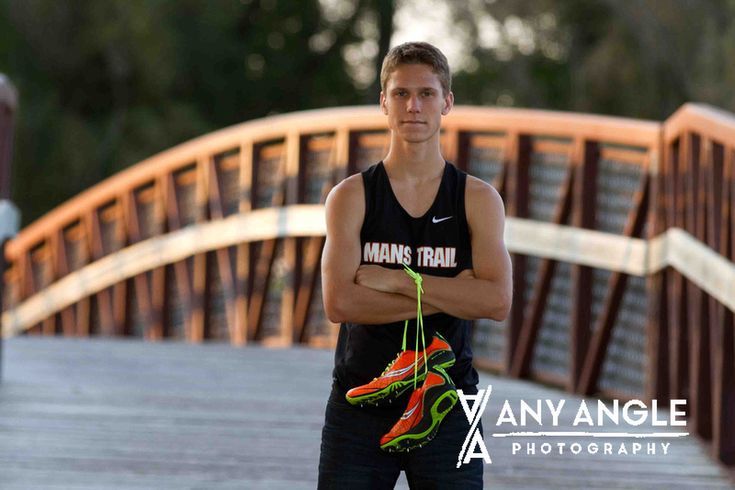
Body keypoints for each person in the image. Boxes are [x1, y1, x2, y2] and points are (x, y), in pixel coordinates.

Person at [318, 41, 512, 489]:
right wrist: (453, 293)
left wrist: (395, 281)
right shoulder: (352, 197)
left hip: (450, 401)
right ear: (383, 102)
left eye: (426, 94)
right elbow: (341, 302)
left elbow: (497, 301)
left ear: (447, 103)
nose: (413, 106)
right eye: (401, 94)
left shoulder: (477, 200)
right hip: (359, 405)